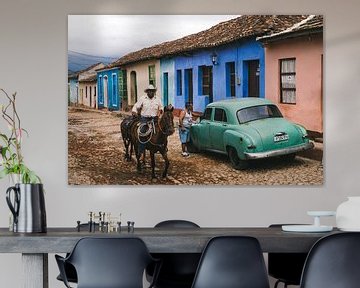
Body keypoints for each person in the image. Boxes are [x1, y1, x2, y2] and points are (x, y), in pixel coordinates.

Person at [132, 84, 163, 162]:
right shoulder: (142, 98)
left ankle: (162, 147)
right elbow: (136, 106)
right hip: (144, 119)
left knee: (162, 132)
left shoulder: (158, 99)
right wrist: (135, 112)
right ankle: (141, 152)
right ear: (147, 92)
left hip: (154, 119)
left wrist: (159, 114)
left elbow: (161, 108)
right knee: (142, 132)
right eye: (149, 91)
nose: (151, 93)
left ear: (154, 92)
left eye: (152, 91)